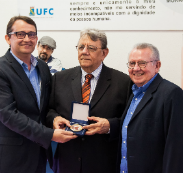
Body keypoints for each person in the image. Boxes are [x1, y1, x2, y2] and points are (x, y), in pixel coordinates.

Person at [0, 16, 76, 173]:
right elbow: (8, 115)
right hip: (9, 157)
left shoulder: (42, 67)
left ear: (36, 39)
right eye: (20, 34)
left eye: (32, 34)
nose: (27, 39)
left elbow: (44, 107)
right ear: (8, 38)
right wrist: (50, 134)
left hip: (38, 155)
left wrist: (54, 118)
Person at [46, 28, 131, 173]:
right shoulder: (59, 79)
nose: (84, 51)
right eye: (81, 47)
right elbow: (48, 110)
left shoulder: (123, 82)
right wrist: (54, 118)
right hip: (67, 161)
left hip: (104, 162)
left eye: (91, 48)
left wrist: (110, 125)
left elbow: (131, 120)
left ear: (104, 53)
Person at [118, 43, 183, 173]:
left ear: (157, 66)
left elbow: (178, 149)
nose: (136, 68)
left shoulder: (172, 94)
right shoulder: (133, 91)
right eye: (132, 63)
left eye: (142, 63)